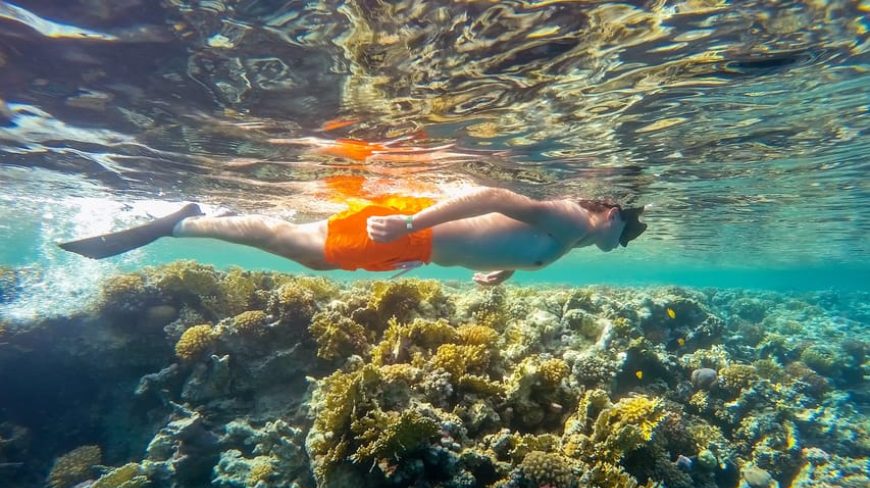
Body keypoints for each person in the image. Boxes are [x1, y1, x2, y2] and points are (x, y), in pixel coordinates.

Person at [59, 187, 646, 285]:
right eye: (631, 232)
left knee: (306, 250)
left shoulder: (569, 235)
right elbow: (492, 197)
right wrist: (414, 225)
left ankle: (194, 219)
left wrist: (503, 269)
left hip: (416, 245)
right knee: (299, 248)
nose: (627, 243)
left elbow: (507, 236)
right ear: (613, 213)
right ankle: (180, 223)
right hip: (410, 234)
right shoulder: (573, 220)